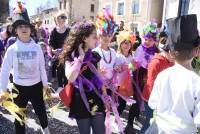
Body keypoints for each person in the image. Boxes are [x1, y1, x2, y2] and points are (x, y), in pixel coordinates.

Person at [148, 14, 200, 134]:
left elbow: (152, 103)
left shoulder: (163, 76)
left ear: (171, 52)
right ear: (197, 51)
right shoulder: (197, 82)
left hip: (160, 130)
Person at [0, 9, 50, 134]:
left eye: (26, 26)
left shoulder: (37, 47)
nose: (24, 29)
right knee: (19, 118)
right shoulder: (12, 49)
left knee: (41, 112)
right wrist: (3, 90)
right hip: (19, 88)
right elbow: (5, 70)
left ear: (31, 29)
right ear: (15, 30)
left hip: (36, 87)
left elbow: (41, 67)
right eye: (20, 26)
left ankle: (46, 129)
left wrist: (45, 85)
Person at [59, 22, 106, 134]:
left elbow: (99, 78)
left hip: (95, 99)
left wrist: (105, 96)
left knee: (100, 131)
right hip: (80, 101)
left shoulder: (95, 56)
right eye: (94, 36)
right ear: (84, 38)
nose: (97, 39)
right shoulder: (70, 57)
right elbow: (71, 77)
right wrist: (80, 58)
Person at [125, 21, 159, 133]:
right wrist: (128, 68)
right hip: (139, 77)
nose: (147, 41)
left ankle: (138, 116)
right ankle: (129, 124)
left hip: (150, 79)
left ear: (154, 40)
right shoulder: (140, 48)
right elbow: (134, 63)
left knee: (145, 102)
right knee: (136, 100)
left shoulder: (157, 51)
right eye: (146, 39)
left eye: (150, 39)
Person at [140, 34, 174, 133]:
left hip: (164, 100)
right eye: (172, 54)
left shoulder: (172, 61)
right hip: (151, 99)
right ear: (166, 51)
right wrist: (157, 102)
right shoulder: (156, 62)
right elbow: (150, 84)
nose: (174, 57)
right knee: (149, 122)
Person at [115, 31, 136, 115]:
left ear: (131, 45)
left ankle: (116, 119)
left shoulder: (131, 57)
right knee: (120, 104)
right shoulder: (117, 56)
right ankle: (116, 120)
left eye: (128, 43)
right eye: (124, 43)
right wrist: (118, 68)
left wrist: (133, 66)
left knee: (122, 104)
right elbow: (114, 68)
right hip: (117, 84)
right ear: (120, 44)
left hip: (126, 85)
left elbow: (133, 69)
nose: (126, 45)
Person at [49, 12, 70, 91]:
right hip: (58, 56)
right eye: (59, 18)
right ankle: (61, 90)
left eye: (63, 17)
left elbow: (71, 43)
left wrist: (66, 50)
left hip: (67, 56)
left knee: (67, 74)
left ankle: (67, 91)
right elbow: (50, 44)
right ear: (56, 19)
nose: (61, 20)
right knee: (59, 73)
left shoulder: (69, 30)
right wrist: (53, 51)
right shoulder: (53, 31)